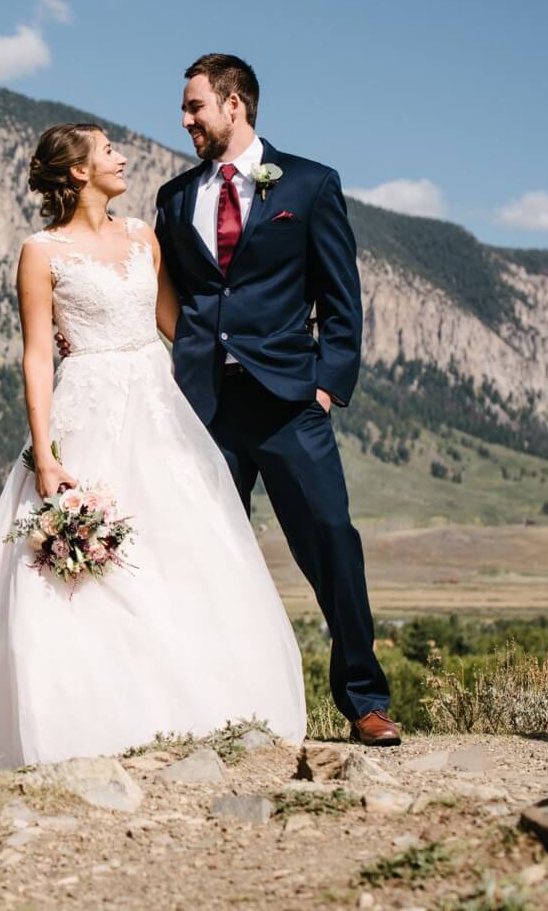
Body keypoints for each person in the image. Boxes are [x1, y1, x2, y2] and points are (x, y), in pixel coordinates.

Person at [0, 122, 305, 782]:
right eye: (108, 150)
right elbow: (37, 354)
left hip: (159, 413)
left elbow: (179, 327)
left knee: (186, 550)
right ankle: (84, 722)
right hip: (87, 414)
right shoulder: (40, 251)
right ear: (78, 172)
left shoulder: (143, 237)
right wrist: (46, 454)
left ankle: (205, 710)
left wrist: (261, 352)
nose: (122, 155)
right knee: (75, 581)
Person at [154, 54, 397, 746]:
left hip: (290, 402)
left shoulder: (311, 185)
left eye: (194, 105)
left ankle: (364, 699)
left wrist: (326, 382)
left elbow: (341, 302)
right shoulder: (174, 199)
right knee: (201, 555)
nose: (184, 119)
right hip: (205, 409)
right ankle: (203, 704)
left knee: (332, 544)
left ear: (235, 105)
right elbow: (177, 299)